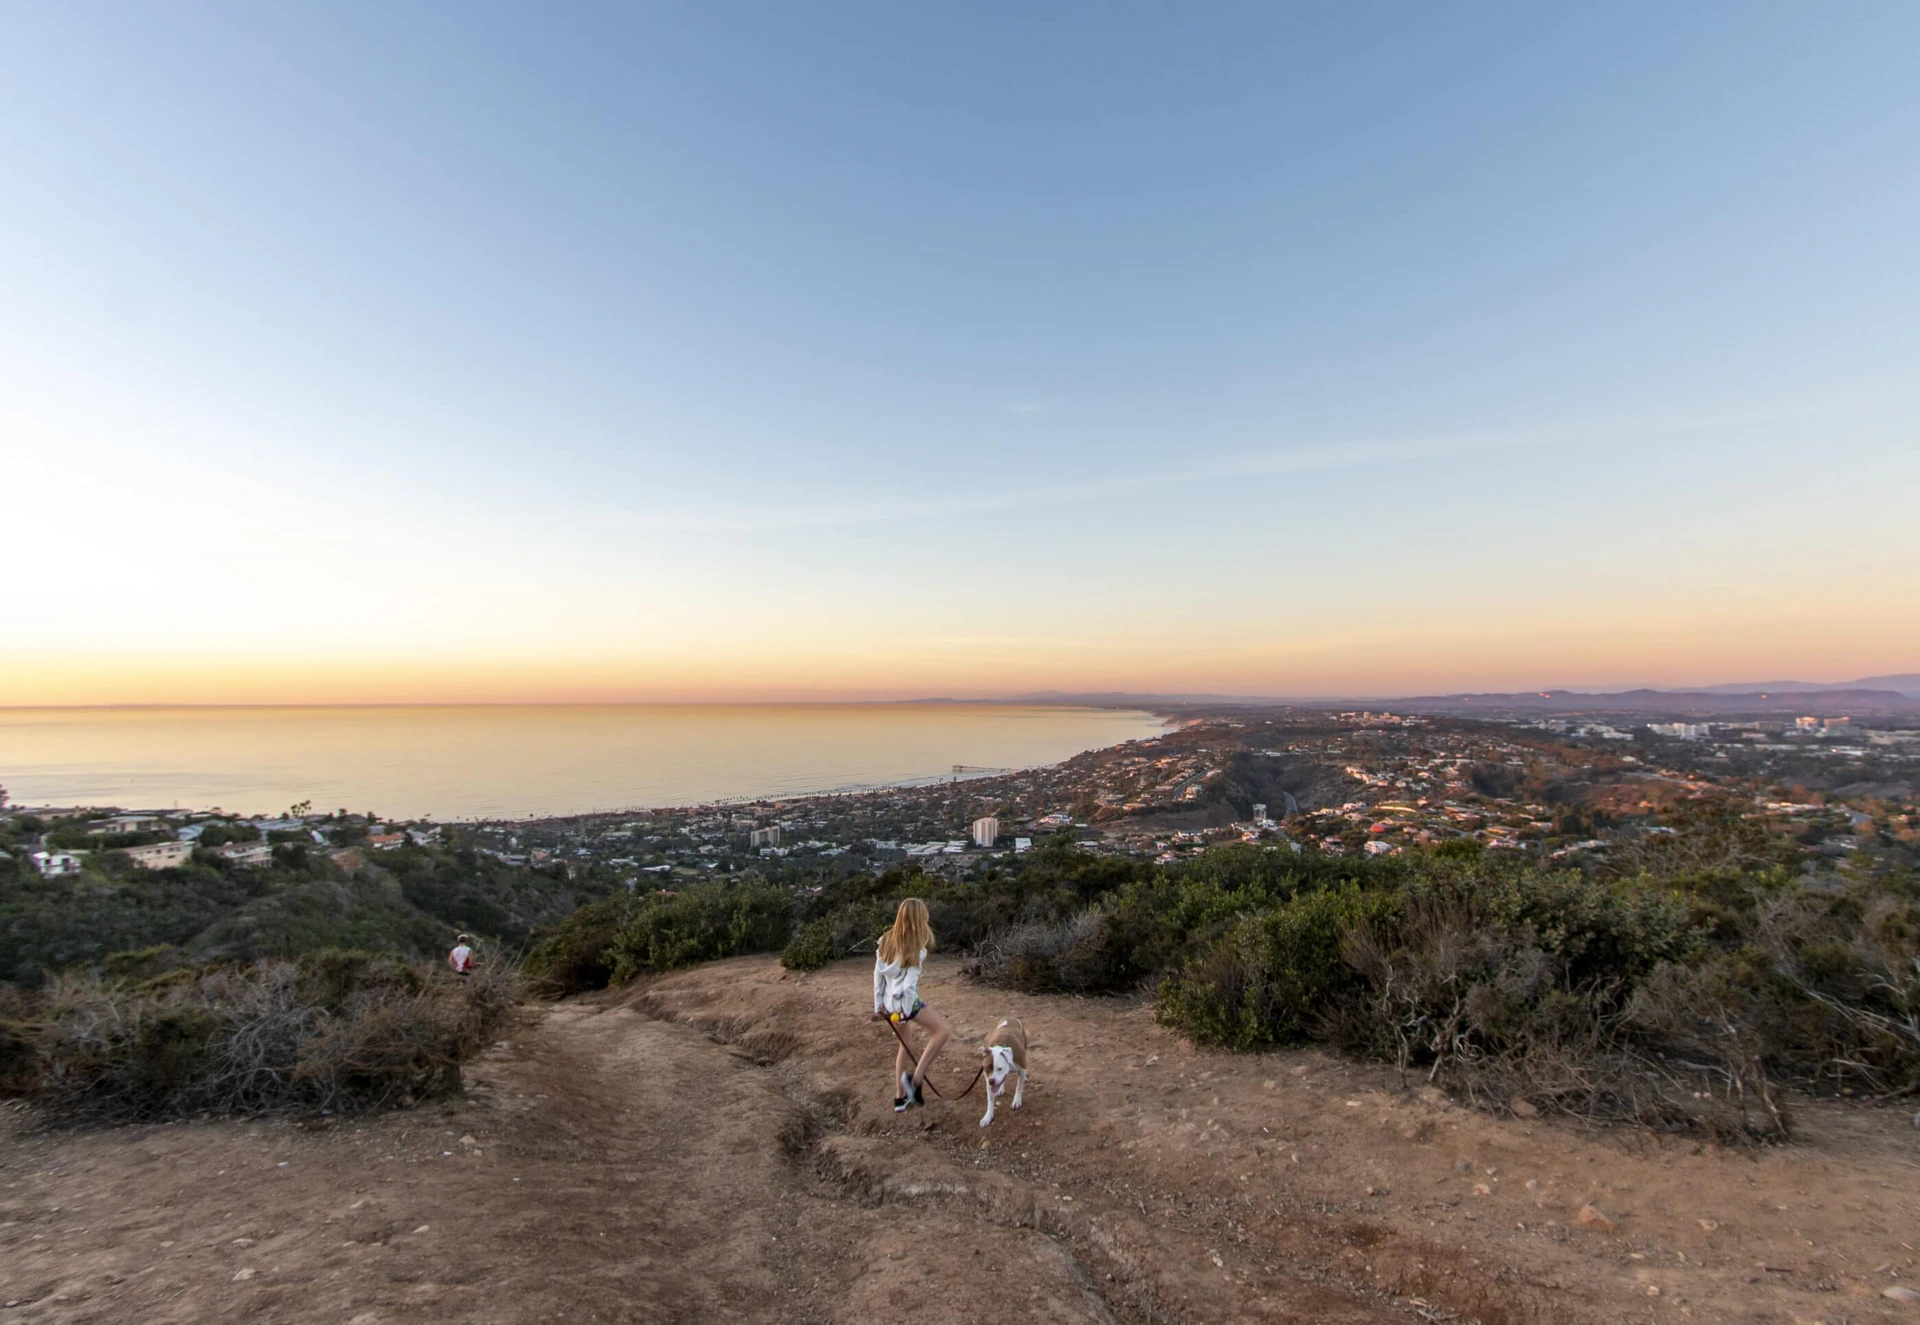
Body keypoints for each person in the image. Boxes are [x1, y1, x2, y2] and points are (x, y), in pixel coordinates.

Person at [872, 898, 951, 1112]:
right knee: (942, 1031)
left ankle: (900, 1098)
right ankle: (915, 1081)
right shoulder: (917, 949)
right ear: (919, 919)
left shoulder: (884, 940)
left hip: (889, 1004)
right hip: (905, 1005)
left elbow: (878, 974)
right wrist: (905, 1013)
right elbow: (908, 987)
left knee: (905, 1044)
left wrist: (878, 1004)